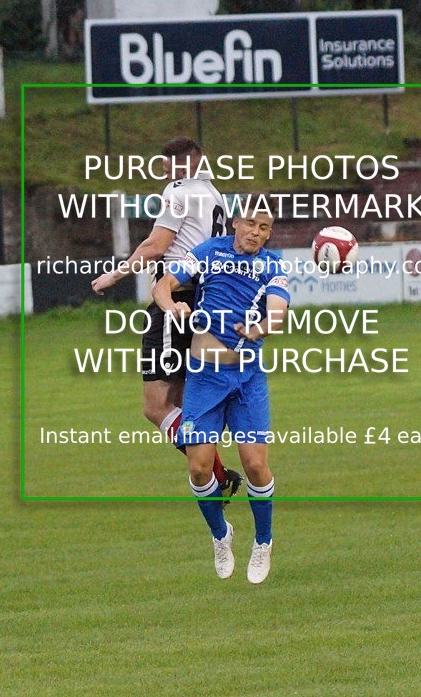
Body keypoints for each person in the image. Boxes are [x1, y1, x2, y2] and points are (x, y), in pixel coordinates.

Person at [91, 137, 241, 501]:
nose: (163, 172)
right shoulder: (215, 194)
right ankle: (215, 474)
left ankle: (218, 475)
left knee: (156, 405)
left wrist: (117, 274)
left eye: (168, 165)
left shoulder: (178, 190)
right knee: (184, 401)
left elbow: (156, 246)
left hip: (175, 300)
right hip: (206, 301)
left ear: (186, 164)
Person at [152, 196, 290, 583]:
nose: (256, 233)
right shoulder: (208, 253)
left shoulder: (273, 265)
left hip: (247, 378)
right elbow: (165, 284)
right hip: (204, 378)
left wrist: (259, 328)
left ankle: (263, 543)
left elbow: (278, 310)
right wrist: (171, 306)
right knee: (198, 468)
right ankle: (221, 534)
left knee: (255, 465)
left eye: (264, 228)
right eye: (251, 224)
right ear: (235, 221)